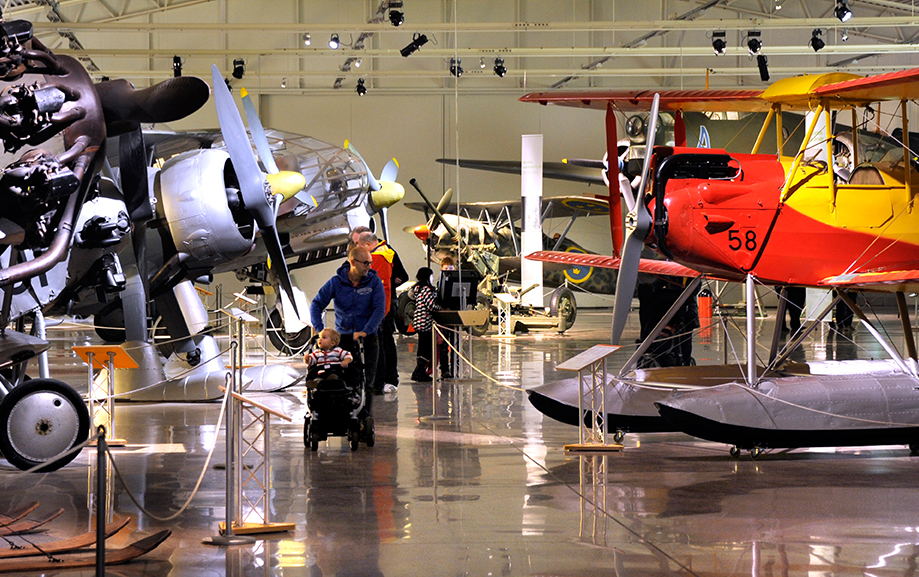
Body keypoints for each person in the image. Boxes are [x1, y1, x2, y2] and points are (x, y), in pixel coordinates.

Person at [309, 245, 385, 413]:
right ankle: (344, 414)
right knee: (344, 377)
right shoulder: (336, 282)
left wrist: (366, 330)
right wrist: (320, 329)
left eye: (370, 263)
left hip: (367, 338)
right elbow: (316, 304)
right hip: (342, 338)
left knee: (367, 382)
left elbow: (380, 309)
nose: (369, 267)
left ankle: (366, 416)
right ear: (353, 262)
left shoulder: (374, 282)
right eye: (365, 263)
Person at [357, 231, 408, 394]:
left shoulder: (380, 257)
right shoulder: (384, 253)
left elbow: (382, 286)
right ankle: (384, 380)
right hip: (383, 305)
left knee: (383, 343)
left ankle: (386, 380)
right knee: (383, 342)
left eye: (358, 244)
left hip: (383, 307)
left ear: (366, 244)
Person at [411, 267, 439, 382]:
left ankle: (420, 371)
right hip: (425, 322)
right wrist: (440, 308)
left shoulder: (417, 289)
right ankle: (419, 371)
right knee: (427, 349)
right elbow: (431, 305)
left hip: (418, 321)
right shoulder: (427, 289)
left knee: (422, 348)